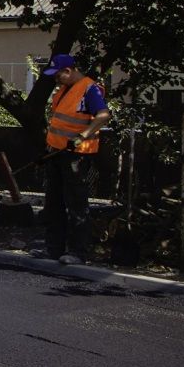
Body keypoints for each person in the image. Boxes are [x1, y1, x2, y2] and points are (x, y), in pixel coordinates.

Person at [42, 53, 111, 265]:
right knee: (53, 202)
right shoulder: (63, 90)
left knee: (76, 204)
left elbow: (103, 115)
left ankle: (78, 252)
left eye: (58, 74)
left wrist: (82, 136)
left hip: (76, 156)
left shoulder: (90, 89)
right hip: (56, 153)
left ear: (68, 70)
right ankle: (54, 248)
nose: (56, 79)